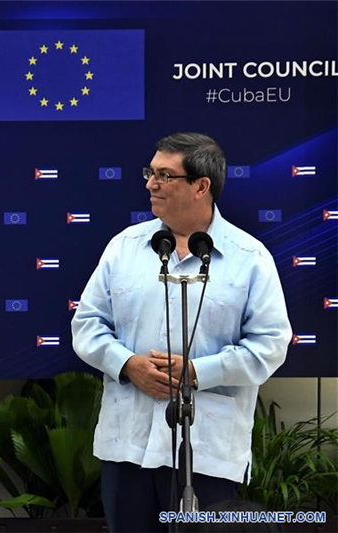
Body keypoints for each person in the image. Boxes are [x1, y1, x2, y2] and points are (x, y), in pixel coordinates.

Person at [71, 132, 291, 532]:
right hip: (128, 448)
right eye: (150, 173)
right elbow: (86, 325)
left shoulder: (250, 258)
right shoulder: (124, 248)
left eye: (165, 175)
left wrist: (195, 373)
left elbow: (269, 346)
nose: (150, 184)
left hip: (207, 452)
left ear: (201, 186)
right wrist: (127, 364)